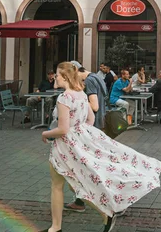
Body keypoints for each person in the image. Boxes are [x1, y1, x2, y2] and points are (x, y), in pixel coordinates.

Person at [41, 61, 161, 232]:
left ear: (65, 76)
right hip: (78, 141)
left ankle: (57, 227)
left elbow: (62, 129)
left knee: (58, 185)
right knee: (73, 184)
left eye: (58, 75)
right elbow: (90, 119)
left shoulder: (64, 97)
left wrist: (45, 134)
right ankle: (103, 214)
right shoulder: (80, 94)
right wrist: (82, 133)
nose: (55, 77)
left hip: (64, 147)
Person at [64, 61, 109, 213]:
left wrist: (78, 101)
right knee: (86, 166)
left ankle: (108, 202)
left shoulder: (89, 81)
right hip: (99, 124)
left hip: (91, 128)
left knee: (87, 167)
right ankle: (80, 201)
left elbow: (94, 105)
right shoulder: (97, 77)